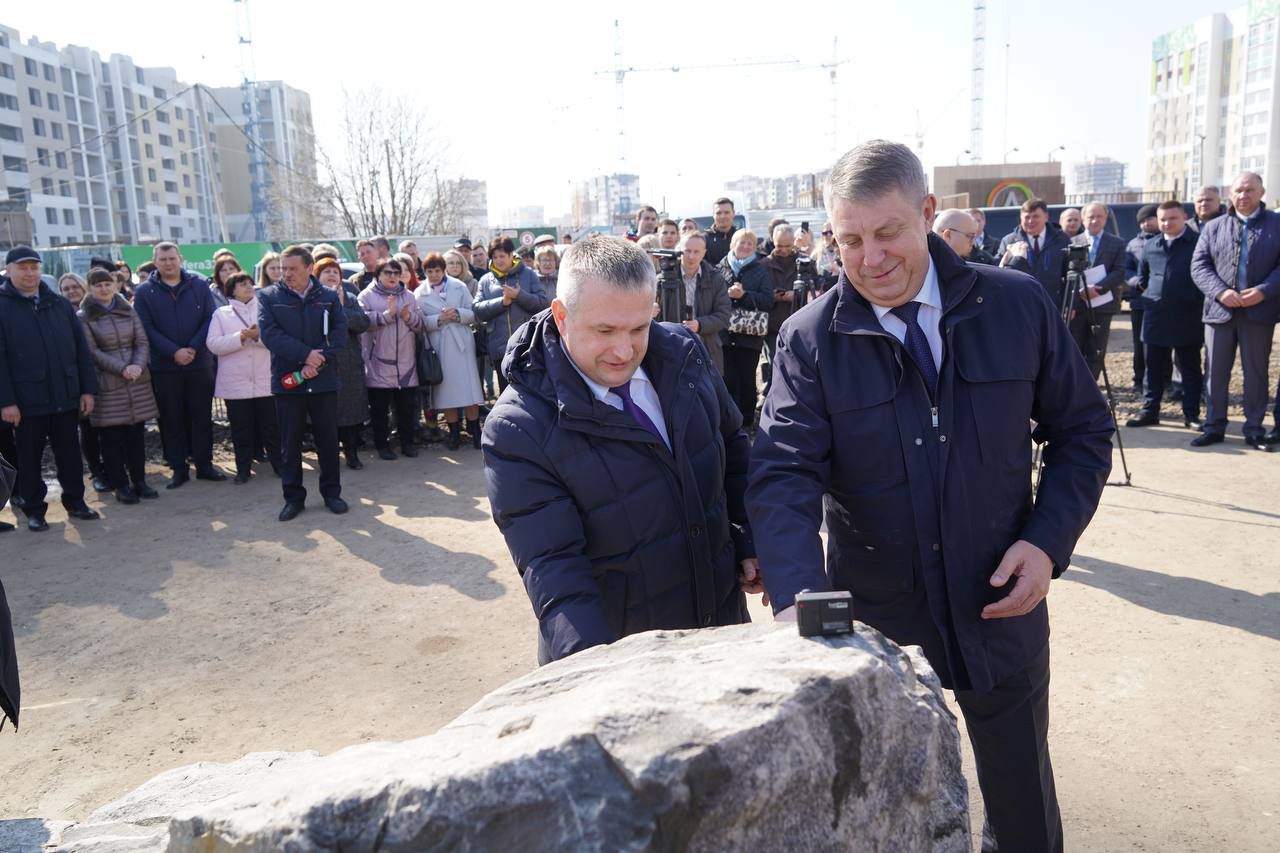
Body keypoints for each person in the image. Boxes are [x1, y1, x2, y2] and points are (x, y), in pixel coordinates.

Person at [749, 141, 1114, 853]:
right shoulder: (809, 340)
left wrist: (1047, 544)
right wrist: (799, 599)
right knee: (886, 821)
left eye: (887, 233)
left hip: (1001, 606)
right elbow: (783, 473)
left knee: (1024, 815)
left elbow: (1084, 432)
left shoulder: (1016, 306)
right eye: (848, 239)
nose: (869, 257)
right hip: (879, 628)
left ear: (926, 214)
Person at [480, 236, 757, 664]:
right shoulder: (518, 429)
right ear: (561, 317)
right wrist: (598, 675)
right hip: (626, 662)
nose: (624, 351)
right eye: (605, 331)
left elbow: (732, 451)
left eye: (639, 328)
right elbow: (555, 571)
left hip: (721, 634)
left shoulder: (685, 357)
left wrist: (750, 539)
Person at [0, 247, 101, 531]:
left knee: (69, 454)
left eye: (34, 267)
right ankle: (34, 510)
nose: (30, 273)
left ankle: (76, 503)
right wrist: (6, 401)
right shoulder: (2, 305)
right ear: (9, 271)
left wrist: (86, 390)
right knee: (29, 459)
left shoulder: (57, 303)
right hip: (26, 401)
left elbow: (80, 349)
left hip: (65, 396)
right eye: (23, 268)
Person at [1190, 171, 1280, 450]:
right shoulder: (1215, 227)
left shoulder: (1276, 224)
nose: (1244, 195)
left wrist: (1264, 291)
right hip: (1220, 312)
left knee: (1255, 373)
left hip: (1259, 312)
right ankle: (1214, 426)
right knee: (1215, 373)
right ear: (1230, 195)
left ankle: (1254, 429)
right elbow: (1199, 265)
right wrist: (1221, 292)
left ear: (1261, 193)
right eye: (1239, 190)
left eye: (1250, 190)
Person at [258, 245, 348, 521]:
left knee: (328, 441)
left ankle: (332, 493)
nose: (286, 274)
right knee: (290, 443)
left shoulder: (329, 297)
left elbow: (339, 333)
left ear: (310, 268)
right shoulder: (269, 297)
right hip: (288, 383)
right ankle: (293, 498)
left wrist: (317, 361)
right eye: (283, 269)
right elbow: (270, 335)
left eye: (293, 269)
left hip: (322, 381)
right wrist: (305, 356)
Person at [133, 242, 225, 488]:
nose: (168, 263)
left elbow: (209, 318)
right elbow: (146, 328)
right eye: (162, 259)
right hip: (165, 366)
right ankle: (179, 468)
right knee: (171, 418)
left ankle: (204, 464)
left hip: (199, 362)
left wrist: (192, 348)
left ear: (180, 259)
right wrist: (174, 351)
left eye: (172, 258)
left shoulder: (198, 285)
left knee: (201, 416)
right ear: (155, 261)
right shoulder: (144, 292)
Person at [78, 268, 159, 504]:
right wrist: (121, 368)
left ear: (115, 284)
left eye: (107, 284)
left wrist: (137, 365)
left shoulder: (128, 310)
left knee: (136, 435)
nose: (103, 289)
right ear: (90, 288)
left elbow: (142, 341)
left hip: (137, 381)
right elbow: (91, 351)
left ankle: (140, 481)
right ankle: (121, 485)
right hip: (109, 384)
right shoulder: (84, 316)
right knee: (111, 440)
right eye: (98, 285)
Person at [1126, 202, 1204, 430]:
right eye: (1163, 220)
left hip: (1187, 316)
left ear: (1184, 218)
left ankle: (1191, 414)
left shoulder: (1197, 243)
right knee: (1153, 368)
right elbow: (1143, 277)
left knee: (1189, 368)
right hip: (1156, 316)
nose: (1167, 223)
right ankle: (1150, 411)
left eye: (1173, 218)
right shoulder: (1152, 245)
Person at [206, 271, 280, 484]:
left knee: (272, 427)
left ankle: (279, 465)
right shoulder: (221, 314)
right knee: (241, 429)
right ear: (231, 289)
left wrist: (257, 337)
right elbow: (213, 344)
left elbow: (277, 340)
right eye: (242, 284)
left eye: (250, 283)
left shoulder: (266, 310)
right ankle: (243, 469)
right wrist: (240, 337)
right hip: (235, 382)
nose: (248, 287)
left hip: (266, 379)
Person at [359, 256, 424, 460]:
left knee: (406, 408)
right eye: (388, 272)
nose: (393, 276)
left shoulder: (410, 296)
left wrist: (408, 317)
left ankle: (407, 443)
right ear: (378, 275)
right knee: (379, 410)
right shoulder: (366, 296)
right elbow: (362, 321)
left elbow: (421, 325)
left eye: (396, 272)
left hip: (406, 362)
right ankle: (382, 445)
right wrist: (387, 315)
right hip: (378, 362)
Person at [417, 253, 484, 450]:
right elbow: (420, 322)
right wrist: (438, 319)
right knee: (446, 392)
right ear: (425, 272)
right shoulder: (419, 293)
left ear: (443, 270)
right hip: (440, 346)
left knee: (469, 390)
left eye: (437, 270)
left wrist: (457, 314)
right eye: (430, 271)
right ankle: (454, 432)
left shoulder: (459, 286)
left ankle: (475, 430)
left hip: (462, 343)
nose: (434, 275)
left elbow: (474, 312)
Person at [312, 258, 371, 470]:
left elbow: (363, 323)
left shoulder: (351, 298)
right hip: (322, 362)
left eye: (335, 271)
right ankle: (327, 457)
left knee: (351, 412)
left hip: (349, 363)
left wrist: (341, 308)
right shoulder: (311, 299)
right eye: (326, 271)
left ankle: (352, 453)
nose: (331, 275)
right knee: (325, 414)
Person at [473, 236, 551, 394]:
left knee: (532, 392)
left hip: (528, 345)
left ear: (511, 255)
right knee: (506, 392)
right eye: (495, 257)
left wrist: (519, 295)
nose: (498, 260)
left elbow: (543, 303)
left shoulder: (528, 274)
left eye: (502, 256)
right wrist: (502, 302)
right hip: (500, 348)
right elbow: (477, 309)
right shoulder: (486, 280)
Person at [59, 272, 110, 492]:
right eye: (66, 288)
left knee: (110, 428)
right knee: (88, 429)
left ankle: (114, 468)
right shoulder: (60, 313)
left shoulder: (97, 309)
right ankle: (96, 471)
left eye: (74, 287)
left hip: (106, 376)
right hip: (77, 380)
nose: (71, 291)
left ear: (83, 287)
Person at [716, 228, 773, 427]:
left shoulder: (760, 270)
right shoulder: (720, 267)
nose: (745, 246)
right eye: (742, 242)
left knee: (748, 379)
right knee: (728, 379)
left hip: (750, 336)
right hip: (724, 333)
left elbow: (767, 300)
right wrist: (728, 294)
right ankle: (730, 421)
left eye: (750, 243)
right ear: (733, 244)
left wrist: (745, 296)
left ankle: (747, 422)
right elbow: (712, 296)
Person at [1070, 202, 1127, 382]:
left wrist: (1098, 288)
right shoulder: (1072, 242)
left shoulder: (1116, 243)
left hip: (1102, 304)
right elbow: (1066, 273)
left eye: (1099, 217)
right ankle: (1075, 386)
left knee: (1097, 349)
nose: (1094, 221)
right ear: (1083, 219)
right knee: (1075, 348)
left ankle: (1090, 386)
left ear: (1105, 218)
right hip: (1078, 305)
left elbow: (1119, 271)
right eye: (1090, 217)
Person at [999, 198, 1072, 308]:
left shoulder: (1062, 240)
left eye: (1035, 216)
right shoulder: (1009, 241)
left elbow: (1070, 275)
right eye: (1027, 217)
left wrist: (1070, 304)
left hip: (1052, 304)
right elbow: (999, 272)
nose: (1030, 221)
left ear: (1046, 217)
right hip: (1020, 303)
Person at [677, 232, 732, 373]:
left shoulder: (716, 279)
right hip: (674, 345)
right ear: (679, 251)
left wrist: (700, 325)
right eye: (687, 251)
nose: (691, 256)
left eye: (696, 252)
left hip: (707, 347)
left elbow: (724, 315)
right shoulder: (664, 280)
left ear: (704, 253)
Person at [1124, 205, 1160, 391]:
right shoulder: (1133, 244)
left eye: (1150, 218)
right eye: (1143, 220)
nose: (1147, 223)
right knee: (1139, 343)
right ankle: (1139, 378)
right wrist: (1135, 281)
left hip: (1163, 301)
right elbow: (1127, 268)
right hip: (1140, 301)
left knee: (1162, 343)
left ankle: (1165, 380)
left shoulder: (1165, 240)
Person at [760, 223, 798, 397]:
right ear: (773, 242)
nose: (783, 250)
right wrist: (780, 296)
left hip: (797, 320)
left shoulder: (802, 262)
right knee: (774, 362)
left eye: (787, 246)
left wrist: (797, 295)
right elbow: (760, 292)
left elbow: (815, 289)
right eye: (779, 246)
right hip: (773, 322)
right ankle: (770, 396)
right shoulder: (763, 265)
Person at [705, 197, 737, 266]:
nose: (722, 216)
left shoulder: (742, 237)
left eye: (726, 212)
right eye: (718, 213)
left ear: (733, 214)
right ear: (713, 215)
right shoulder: (704, 240)